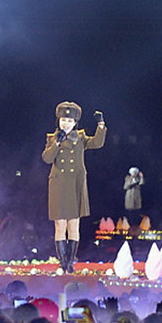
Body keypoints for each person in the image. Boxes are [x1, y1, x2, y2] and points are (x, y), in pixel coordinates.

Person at [43, 101, 106, 273]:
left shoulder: (80, 137)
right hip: (58, 183)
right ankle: (63, 262)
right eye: (63, 119)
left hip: (75, 183)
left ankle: (70, 262)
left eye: (70, 121)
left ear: (75, 122)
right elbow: (47, 159)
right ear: (59, 120)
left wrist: (100, 125)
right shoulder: (52, 137)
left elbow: (98, 143)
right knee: (60, 226)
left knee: (73, 225)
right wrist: (56, 142)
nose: (66, 123)